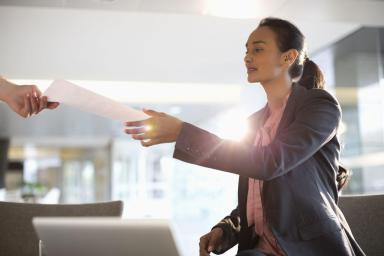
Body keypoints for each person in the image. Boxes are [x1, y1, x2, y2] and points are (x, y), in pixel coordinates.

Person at [124, 17, 365, 256]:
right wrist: (226, 230)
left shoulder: (320, 105)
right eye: (247, 51)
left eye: (258, 49)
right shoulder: (254, 123)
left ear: (288, 57)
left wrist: (182, 133)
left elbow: (269, 163)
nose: (247, 57)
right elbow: (259, 200)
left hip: (308, 248)